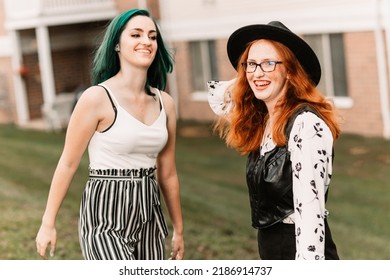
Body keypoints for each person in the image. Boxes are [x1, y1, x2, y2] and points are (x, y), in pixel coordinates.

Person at [35, 8, 184, 260]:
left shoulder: (165, 103)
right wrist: (48, 222)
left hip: (149, 208)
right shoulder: (96, 98)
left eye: (152, 36)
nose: (146, 41)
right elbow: (68, 163)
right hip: (105, 209)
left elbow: (167, 173)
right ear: (117, 44)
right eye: (136, 35)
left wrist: (178, 230)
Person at [208, 21, 341, 260]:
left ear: (290, 70)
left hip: (299, 252)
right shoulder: (265, 121)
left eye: (269, 63)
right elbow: (218, 97)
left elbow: (310, 214)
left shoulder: (305, 125)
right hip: (272, 252)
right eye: (251, 63)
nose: (257, 72)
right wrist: (249, 77)